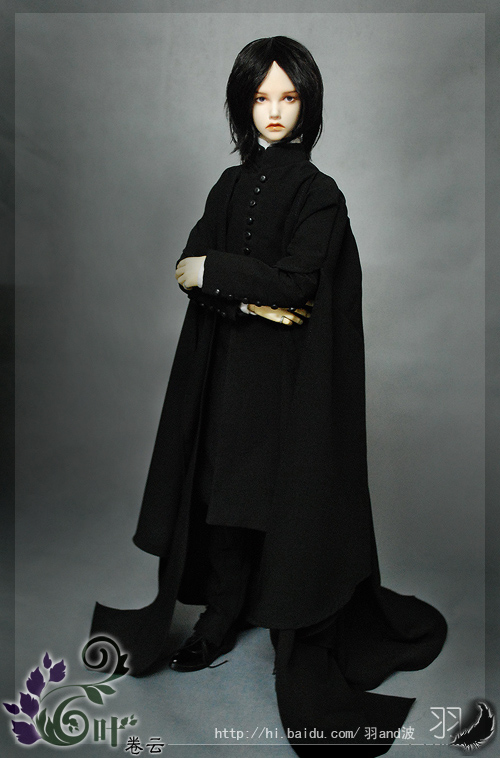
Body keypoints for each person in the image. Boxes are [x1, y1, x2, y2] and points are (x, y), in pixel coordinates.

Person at [91, 36, 447, 757]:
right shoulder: (227, 187)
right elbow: (187, 269)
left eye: (289, 96)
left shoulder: (321, 194)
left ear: (308, 104)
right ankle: (221, 617)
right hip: (228, 372)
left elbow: (295, 283)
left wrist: (223, 276)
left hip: (291, 385)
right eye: (261, 97)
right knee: (223, 496)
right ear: (242, 104)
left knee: (283, 501)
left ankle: (293, 632)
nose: (275, 110)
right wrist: (250, 299)